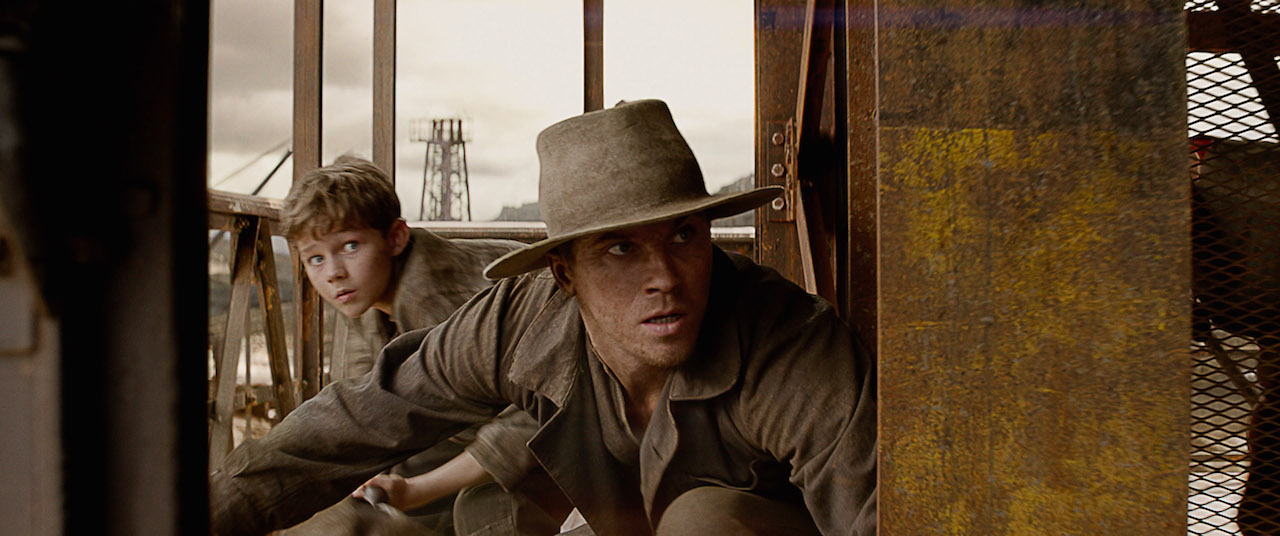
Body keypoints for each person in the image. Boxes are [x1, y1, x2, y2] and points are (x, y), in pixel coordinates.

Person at [211, 100, 877, 536]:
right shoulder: (518, 321)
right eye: (620, 249)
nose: (666, 278)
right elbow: (358, 419)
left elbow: (876, 516)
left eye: (684, 235)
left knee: (701, 521)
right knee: (342, 527)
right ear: (563, 272)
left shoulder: (790, 345)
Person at [276, 156, 549, 535]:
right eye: (316, 258)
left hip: (579, 425)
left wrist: (417, 490)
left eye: (351, 246)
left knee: (481, 511)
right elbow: (366, 411)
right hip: (481, 423)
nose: (333, 273)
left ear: (396, 237)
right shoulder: (366, 295)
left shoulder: (436, 300)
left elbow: (537, 417)